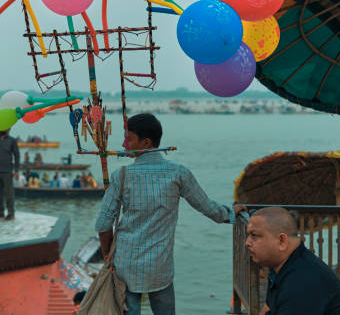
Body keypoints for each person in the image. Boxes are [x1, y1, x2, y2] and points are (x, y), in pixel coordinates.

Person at [95, 113, 246, 315]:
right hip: (160, 265)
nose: (124, 144)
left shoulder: (121, 175)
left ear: (146, 142)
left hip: (125, 265)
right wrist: (230, 212)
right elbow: (208, 207)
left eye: (129, 138)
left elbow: (103, 224)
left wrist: (107, 255)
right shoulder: (178, 173)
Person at [245, 207, 340, 315]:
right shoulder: (283, 265)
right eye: (248, 235)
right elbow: (269, 307)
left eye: (254, 235)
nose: (247, 242)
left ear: (282, 241)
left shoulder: (300, 283)